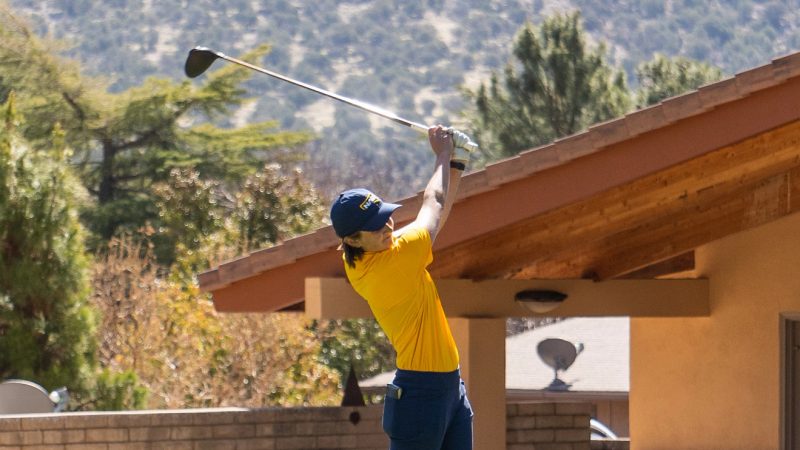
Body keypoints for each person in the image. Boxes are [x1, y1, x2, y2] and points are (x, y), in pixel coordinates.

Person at [329, 125, 472, 449]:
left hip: (449, 387)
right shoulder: (393, 264)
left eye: (384, 216)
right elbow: (433, 202)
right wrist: (443, 153)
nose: (387, 226)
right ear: (352, 239)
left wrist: (455, 164)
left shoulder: (372, 256)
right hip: (421, 395)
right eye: (374, 226)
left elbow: (435, 219)